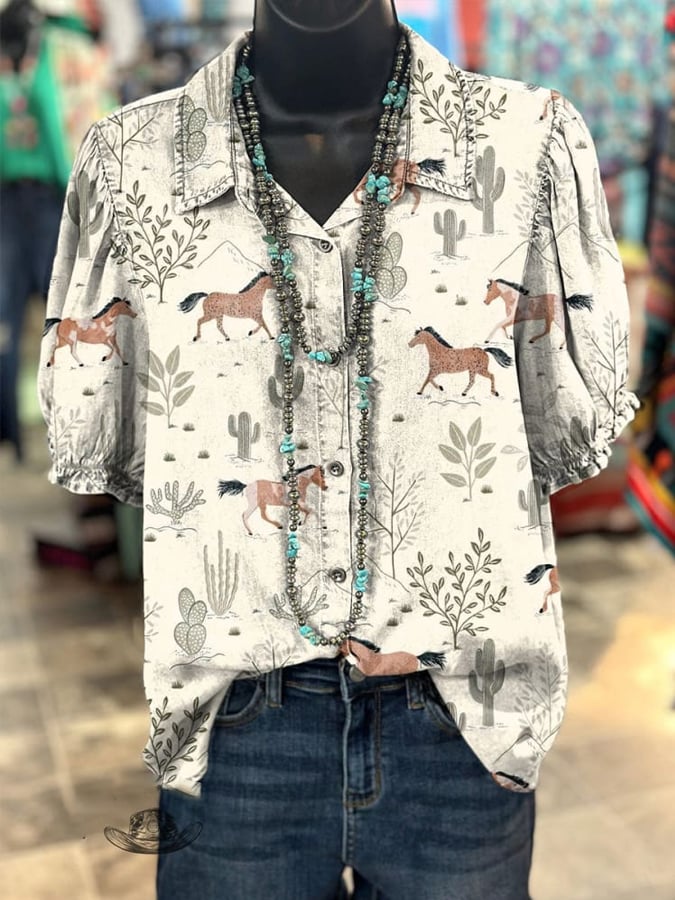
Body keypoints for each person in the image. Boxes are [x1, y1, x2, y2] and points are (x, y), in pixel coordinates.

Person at [37, 1, 637, 897]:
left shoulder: (528, 147)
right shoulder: (131, 163)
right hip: (233, 723)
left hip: (462, 717)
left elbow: (556, 430)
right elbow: (108, 435)